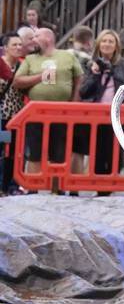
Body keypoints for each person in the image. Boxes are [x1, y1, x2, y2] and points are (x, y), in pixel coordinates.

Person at [10, 27, 82, 185]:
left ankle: (57, 188)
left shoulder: (67, 56)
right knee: (35, 152)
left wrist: (74, 101)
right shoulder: (30, 59)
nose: (33, 39)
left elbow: (79, 78)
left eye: (36, 36)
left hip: (62, 112)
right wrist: (40, 77)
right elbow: (17, 81)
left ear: (48, 38)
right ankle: (33, 187)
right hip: (36, 112)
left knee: (59, 152)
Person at [77, 29, 124, 176]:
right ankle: (100, 188)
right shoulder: (89, 64)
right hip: (96, 115)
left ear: (116, 46)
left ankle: (111, 183)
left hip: (118, 115)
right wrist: (95, 74)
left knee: (115, 150)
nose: (107, 44)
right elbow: (83, 91)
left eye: (111, 41)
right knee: (97, 150)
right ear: (99, 44)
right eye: (104, 41)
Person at [0, 32, 27, 193]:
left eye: (20, 45)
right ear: (5, 48)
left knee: (14, 151)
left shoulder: (23, 66)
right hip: (2, 117)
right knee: (2, 148)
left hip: (17, 117)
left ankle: (10, 185)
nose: (18, 48)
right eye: (14, 45)